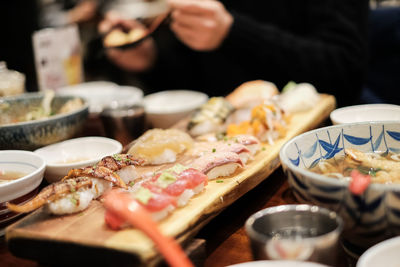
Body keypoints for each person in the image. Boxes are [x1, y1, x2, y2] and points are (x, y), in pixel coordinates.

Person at [99, 0, 369, 107]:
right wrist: (151, 60)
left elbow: (344, 71)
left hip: (319, 139)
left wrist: (232, 32)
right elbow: (196, 79)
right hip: (224, 144)